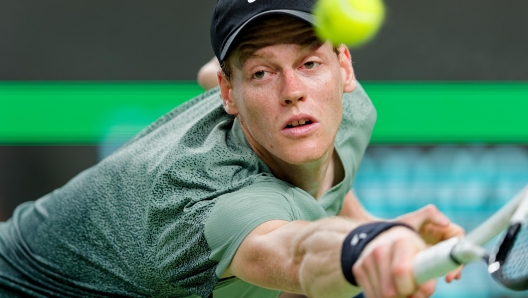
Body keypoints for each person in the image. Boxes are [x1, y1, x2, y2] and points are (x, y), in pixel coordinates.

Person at [0, 1, 463, 297]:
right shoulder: (216, 206)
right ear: (229, 92)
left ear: (345, 67)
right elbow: (298, 255)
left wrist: (373, 226)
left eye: (309, 62)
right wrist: (368, 245)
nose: (293, 90)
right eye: (262, 73)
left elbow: (212, 73)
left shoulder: (348, 112)